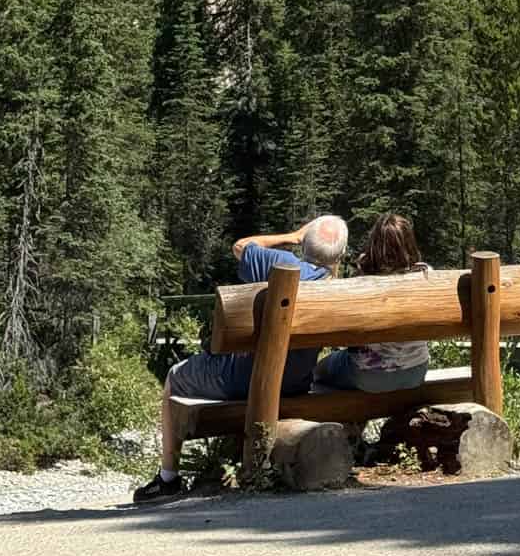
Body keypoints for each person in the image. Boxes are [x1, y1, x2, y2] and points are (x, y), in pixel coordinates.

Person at [133, 214, 349, 505]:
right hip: (295, 382)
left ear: (305, 244)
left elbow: (241, 246)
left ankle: (168, 479)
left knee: (174, 375)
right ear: (342, 254)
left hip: (244, 379)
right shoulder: (339, 288)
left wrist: (292, 236)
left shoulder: (280, 265)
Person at [314, 213, 432, 393]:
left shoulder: (364, 277)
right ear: (409, 242)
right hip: (416, 371)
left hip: (368, 376)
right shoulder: (427, 275)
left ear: (374, 243)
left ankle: (346, 417)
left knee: (318, 371)